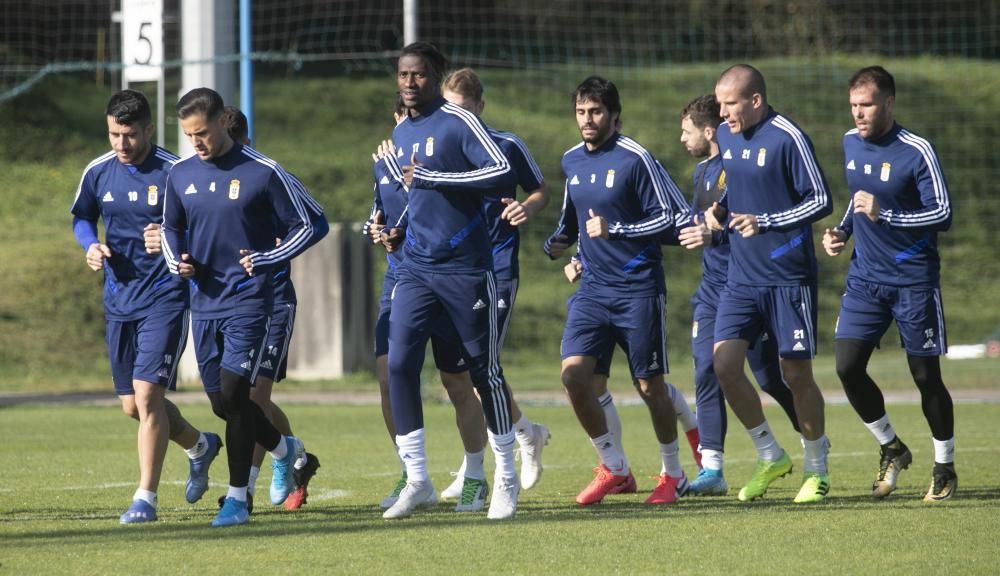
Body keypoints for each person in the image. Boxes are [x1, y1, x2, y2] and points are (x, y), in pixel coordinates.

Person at [160, 87, 328, 526]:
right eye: (188, 134)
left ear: (221, 122)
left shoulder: (263, 172)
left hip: (252, 302)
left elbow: (313, 222)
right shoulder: (180, 175)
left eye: (201, 132)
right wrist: (175, 260)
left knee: (239, 393)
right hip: (205, 302)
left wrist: (269, 257)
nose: (195, 141)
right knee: (222, 404)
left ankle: (237, 499)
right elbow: (170, 227)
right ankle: (286, 449)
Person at [375, 42, 521, 520]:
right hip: (415, 267)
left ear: (435, 77)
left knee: (484, 372)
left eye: (417, 75)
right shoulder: (401, 135)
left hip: (466, 269)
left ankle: (505, 476)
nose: (409, 83)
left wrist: (435, 178)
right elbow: (412, 197)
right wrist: (395, 229)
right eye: (402, 75)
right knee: (398, 365)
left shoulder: (459, 122)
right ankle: (417, 479)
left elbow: (500, 170)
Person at [70, 89, 222, 524]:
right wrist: (91, 245)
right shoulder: (99, 171)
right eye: (114, 134)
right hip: (119, 299)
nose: (121, 144)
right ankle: (199, 444)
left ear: (149, 130)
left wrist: (174, 240)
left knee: (148, 394)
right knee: (133, 406)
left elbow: (207, 226)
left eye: (130, 135)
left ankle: (145, 499)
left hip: (166, 297)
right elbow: (82, 215)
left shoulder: (177, 173)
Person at [543, 75, 693, 506]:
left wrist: (619, 228)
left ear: (614, 116)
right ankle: (615, 467)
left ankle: (673, 473)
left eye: (595, 112)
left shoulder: (636, 158)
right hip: (592, 291)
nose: (587, 120)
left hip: (638, 289)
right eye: (580, 112)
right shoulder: (572, 160)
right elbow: (571, 222)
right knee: (574, 376)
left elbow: (672, 216)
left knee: (650, 388)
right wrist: (557, 244)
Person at [822, 65, 956, 501]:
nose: (858, 114)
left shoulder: (916, 150)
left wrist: (889, 216)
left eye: (867, 105)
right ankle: (891, 447)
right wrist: (842, 230)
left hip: (913, 279)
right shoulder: (849, 143)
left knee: (924, 375)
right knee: (846, 366)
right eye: (853, 106)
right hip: (865, 278)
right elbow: (859, 199)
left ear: (889, 103)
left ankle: (944, 466)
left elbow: (942, 213)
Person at [705, 64, 833, 503]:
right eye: (719, 103)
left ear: (755, 100)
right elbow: (737, 186)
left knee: (795, 374)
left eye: (730, 103)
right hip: (741, 277)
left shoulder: (788, 137)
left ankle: (817, 469)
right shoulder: (725, 136)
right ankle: (769, 454)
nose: (721, 113)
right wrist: (720, 212)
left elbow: (821, 199)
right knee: (723, 365)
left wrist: (768, 221)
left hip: (786, 276)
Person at [365, 97, 491, 514]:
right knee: (391, 373)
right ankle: (413, 474)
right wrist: (378, 229)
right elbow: (379, 212)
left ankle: (475, 474)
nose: (408, 127)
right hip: (402, 280)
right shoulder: (383, 162)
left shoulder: (445, 163)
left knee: (458, 381)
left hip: (449, 277)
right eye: (401, 117)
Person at [675, 94, 801, 496]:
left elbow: (750, 221)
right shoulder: (701, 173)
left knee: (769, 375)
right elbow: (699, 222)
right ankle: (712, 469)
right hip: (712, 288)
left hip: (746, 282)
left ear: (708, 131)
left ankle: (812, 438)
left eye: (686, 130)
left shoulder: (738, 165)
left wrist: (717, 230)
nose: (681, 138)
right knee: (706, 369)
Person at [440, 67, 552, 495]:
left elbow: (540, 189)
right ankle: (522, 434)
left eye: (466, 110)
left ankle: (492, 460)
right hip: (452, 271)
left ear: (481, 108)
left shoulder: (506, 145)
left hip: (498, 268)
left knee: (480, 366)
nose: (460, 119)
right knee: (466, 371)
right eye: (452, 111)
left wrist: (529, 207)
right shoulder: (442, 152)